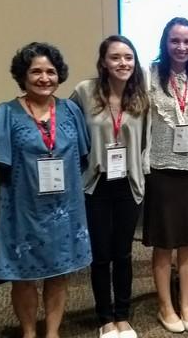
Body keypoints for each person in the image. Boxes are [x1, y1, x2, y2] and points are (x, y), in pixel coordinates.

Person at [0, 42, 91, 338]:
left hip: (64, 211)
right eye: (36, 71)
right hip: (21, 211)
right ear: (23, 76)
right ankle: (29, 332)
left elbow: (81, 158)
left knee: (59, 274)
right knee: (23, 278)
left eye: (51, 72)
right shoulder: (5, 113)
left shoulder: (70, 111)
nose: (44, 78)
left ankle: (52, 332)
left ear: (59, 76)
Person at [71, 35, 150, 338]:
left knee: (123, 254)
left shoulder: (141, 97)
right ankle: (105, 318)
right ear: (103, 61)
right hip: (96, 185)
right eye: (115, 57)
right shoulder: (85, 91)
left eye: (128, 57)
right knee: (101, 255)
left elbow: (145, 142)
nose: (123, 63)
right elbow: (68, 130)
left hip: (128, 184)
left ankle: (123, 316)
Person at [142, 17, 188, 333]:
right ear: (165, 43)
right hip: (162, 170)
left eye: (187, 41)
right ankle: (165, 306)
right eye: (175, 41)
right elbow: (142, 123)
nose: (181, 47)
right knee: (164, 243)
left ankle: (186, 303)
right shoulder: (150, 75)